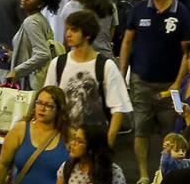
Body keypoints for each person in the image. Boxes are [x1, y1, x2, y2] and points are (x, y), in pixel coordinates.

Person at [120, 0, 190, 184]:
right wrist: (122, 72)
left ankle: (165, 174)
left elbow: (187, 52)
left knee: (170, 132)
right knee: (141, 130)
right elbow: (127, 42)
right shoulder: (139, 9)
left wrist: (177, 82)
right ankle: (144, 176)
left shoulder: (181, 13)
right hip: (141, 82)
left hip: (169, 86)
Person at [45, 10, 131, 145]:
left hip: (94, 141)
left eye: (74, 30)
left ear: (87, 34)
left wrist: (107, 145)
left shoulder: (106, 66)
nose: (68, 34)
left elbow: (118, 109)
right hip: (61, 141)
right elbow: (47, 101)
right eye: (67, 29)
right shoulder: (57, 64)